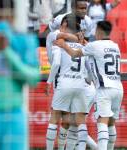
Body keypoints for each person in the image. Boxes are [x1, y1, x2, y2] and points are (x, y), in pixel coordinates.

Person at [54, 20, 123, 150]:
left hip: (104, 89)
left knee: (102, 123)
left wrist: (64, 45)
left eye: (96, 31)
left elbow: (75, 54)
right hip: (118, 88)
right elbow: (96, 54)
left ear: (99, 32)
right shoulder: (116, 46)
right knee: (111, 124)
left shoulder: (95, 45)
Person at [0, 0, 40, 150]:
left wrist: (7, 52)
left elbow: (33, 79)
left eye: (6, 19)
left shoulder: (24, 40)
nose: (2, 24)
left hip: (12, 115)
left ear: (13, 17)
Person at [45, 14, 89, 150]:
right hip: (81, 85)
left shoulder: (58, 42)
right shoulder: (84, 46)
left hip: (63, 81)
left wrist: (49, 82)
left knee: (55, 117)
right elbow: (88, 67)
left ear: (64, 24)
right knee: (71, 120)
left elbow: (56, 63)